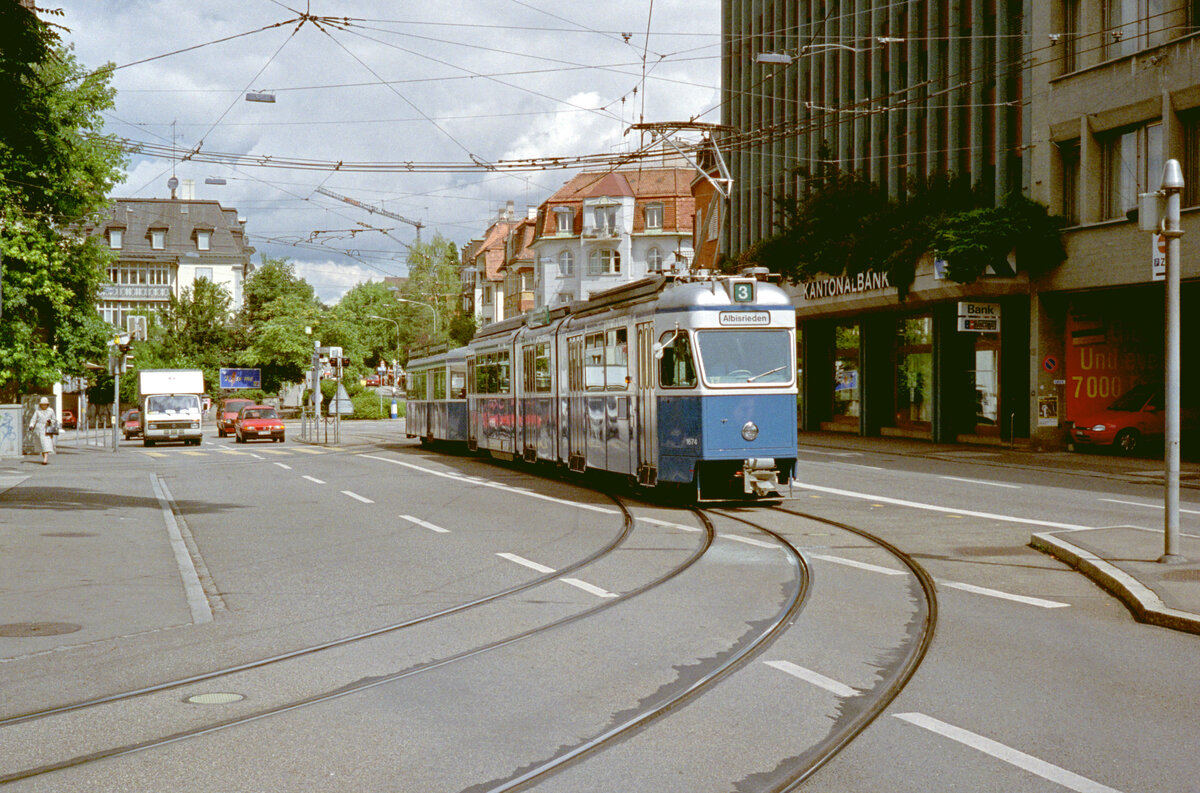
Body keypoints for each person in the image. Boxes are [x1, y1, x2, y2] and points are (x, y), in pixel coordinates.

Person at [29, 396, 56, 465]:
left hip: (47, 429)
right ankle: (44, 457)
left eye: (45, 404)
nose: (44, 405)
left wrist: (50, 421)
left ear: (47, 404)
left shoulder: (51, 410)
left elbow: (54, 419)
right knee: (41, 445)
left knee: (46, 444)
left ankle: (45, 459)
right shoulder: (37, 411)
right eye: (42, 404)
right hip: (39, 429)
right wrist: (31, 425)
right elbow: (33, 419)